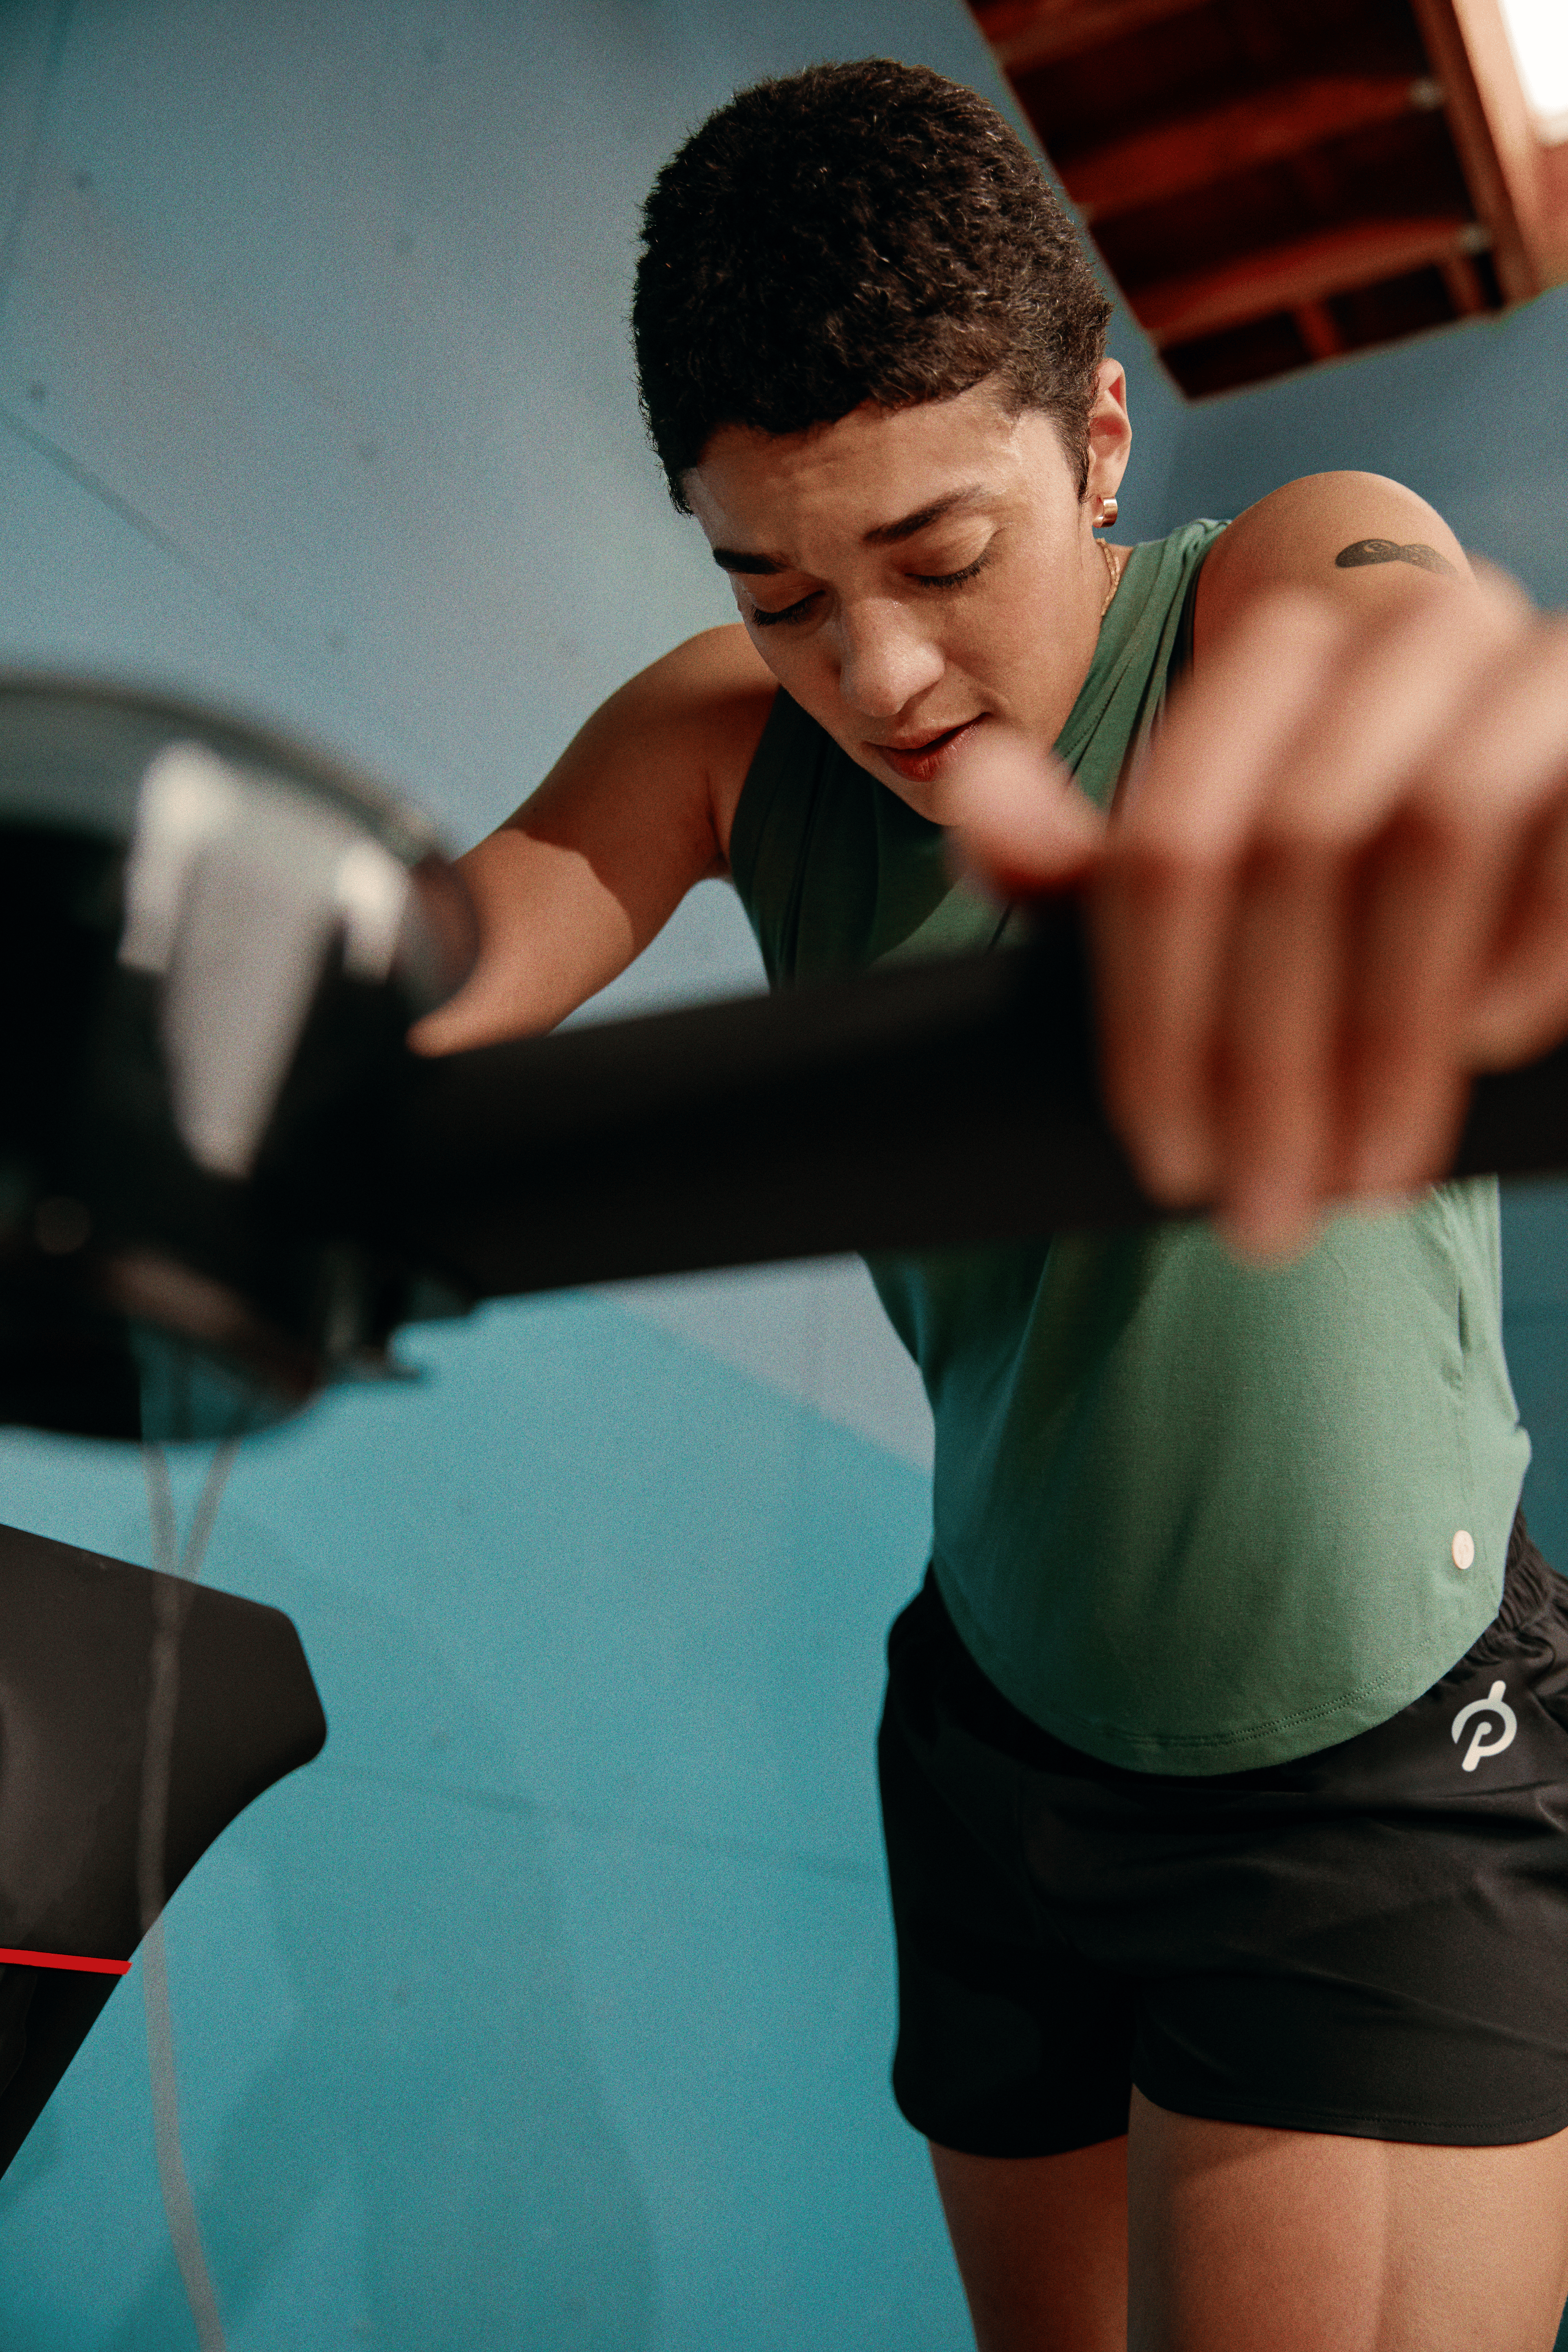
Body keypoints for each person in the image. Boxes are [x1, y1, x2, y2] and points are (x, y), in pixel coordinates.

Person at [412, 59, 1568, 2352]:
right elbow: (416, 982)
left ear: (1105, 444)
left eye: (941, 560)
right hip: (995, 1740)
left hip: (1360, 1792)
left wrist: (1427, 735)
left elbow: (1378, 603)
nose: (881, 676)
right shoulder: (730, 742)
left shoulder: (1263, 569)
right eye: (783, 593)